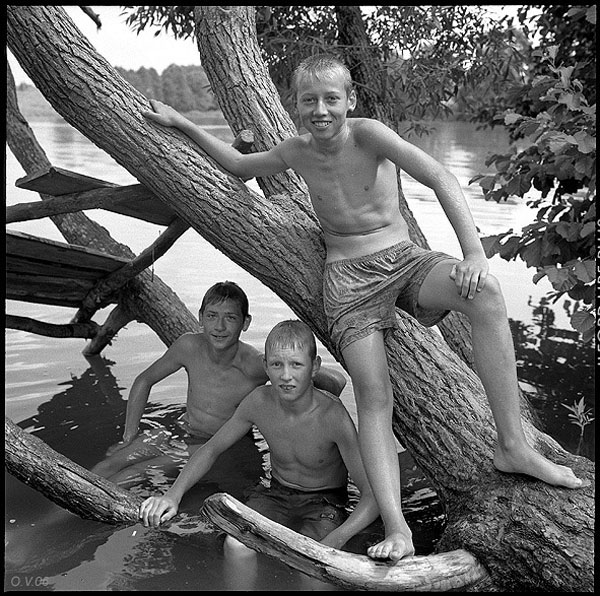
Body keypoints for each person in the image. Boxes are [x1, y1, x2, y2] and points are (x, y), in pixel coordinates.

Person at [143, 54, 583, 561]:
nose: (321, 110)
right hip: (348, 281)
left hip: (402, 258)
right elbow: (241, 166)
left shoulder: (370, 135)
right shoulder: (297, 150)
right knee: (375, 395)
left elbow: (441, 176)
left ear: (349, 100)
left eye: (332, 99)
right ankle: (398, 528)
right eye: (309, 101)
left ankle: (512, 445)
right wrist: (181, 121)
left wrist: (474, 252)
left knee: (484, 294)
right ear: (294, 107)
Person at [139, 320, 379, 561]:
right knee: (236, 545)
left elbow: (371, 495)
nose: (286, 376)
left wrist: (337, 537)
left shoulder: (333, 416)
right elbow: (211, 449)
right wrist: (172, 495)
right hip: (276, 493)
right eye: (277, 365)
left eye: (296, 365)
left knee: (314, 562)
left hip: (325, 502)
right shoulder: (259, 402)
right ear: (265, 366)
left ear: (314, 367)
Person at [93, 281, 346, 489]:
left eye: (230, 318)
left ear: (245, 323)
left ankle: (86, 515)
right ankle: (60, 513)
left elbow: (337, 381)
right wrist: (130, 434)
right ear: (201, 317)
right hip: (184, 430)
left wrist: (310, 388)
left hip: (219, 446)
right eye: (212, 316)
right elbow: (143, 381)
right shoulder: (188, 346)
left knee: (135, 472)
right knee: (109, 465)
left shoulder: (254, 365)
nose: (220, 326)